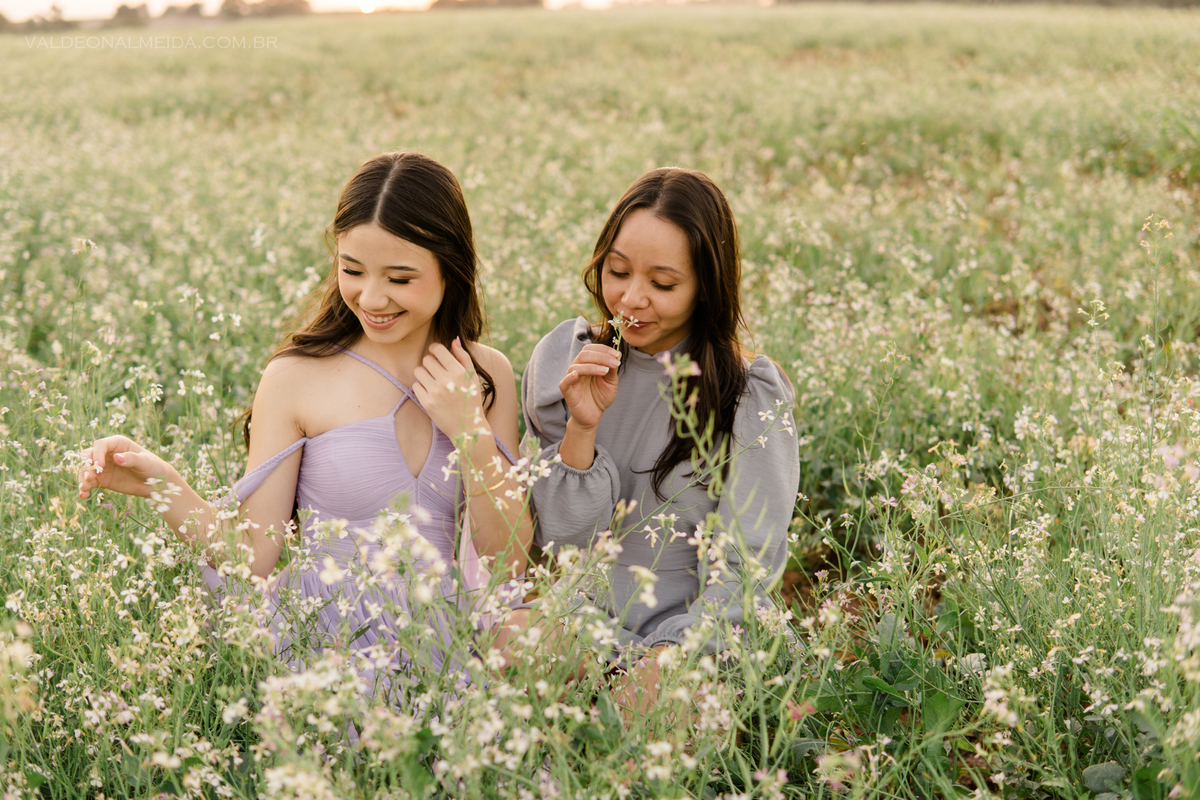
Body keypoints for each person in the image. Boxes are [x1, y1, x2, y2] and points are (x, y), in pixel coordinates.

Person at [77, 152, 533, 697]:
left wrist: (470, 431)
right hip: (326, 643)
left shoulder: (486, 374)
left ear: (450, 268)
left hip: (445, 645)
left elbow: (509, 565)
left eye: (400, 277)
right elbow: (253, 554)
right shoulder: (296, 376)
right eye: (352, 270)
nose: (372, 298)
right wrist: (161, 483)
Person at [508, 167, 800, 713]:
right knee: (505, 636)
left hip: (693, 641)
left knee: (655, 704)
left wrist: (668, 657)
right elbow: (561, 543)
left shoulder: (747, 393)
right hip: (581, 625)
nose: (631, 298)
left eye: (663, 285)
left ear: (706, 287)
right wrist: (582, 427)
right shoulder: (568, 358)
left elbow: (746, 569)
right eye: (617, 272)